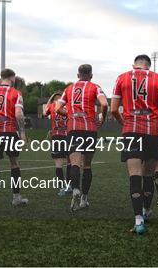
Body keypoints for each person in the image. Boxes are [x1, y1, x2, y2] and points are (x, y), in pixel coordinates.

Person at [111, 54, 158, 235]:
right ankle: (146, 210)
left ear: (134, 65)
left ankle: (138, 220)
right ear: (147, 65)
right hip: (152, 131)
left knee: (134, 175)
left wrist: (124, 123)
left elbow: (114, 109)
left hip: (131, 129)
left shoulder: (121, 77)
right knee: (149, 174)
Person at [55, 64, 108, 211]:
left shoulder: (69, 89)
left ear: (78, 75)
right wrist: (103, 118)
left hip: (74, 129)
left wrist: (70, 114)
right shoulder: (95, 87)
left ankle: (76, 189)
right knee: (87, 165)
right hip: (90, 129)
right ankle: (84, 198)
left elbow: (57, 108)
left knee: (74, 163)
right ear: (91, 75)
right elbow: (104, 103)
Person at [0, 68, 29, 213]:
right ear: (12, 78)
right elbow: (19, 114)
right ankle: (16, 197)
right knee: (14, 163)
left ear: (0, 78)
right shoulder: (16, 93)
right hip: (9, 131)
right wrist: (22, 131)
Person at [44, 92, 71, 196]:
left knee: (58, 165)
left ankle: (61, 188)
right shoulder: (67, 105)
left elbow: (45, 111)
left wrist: (51, 98)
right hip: (68, 135)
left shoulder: (52, 105)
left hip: (57, 136)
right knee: (70, 162)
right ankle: (70, 186)